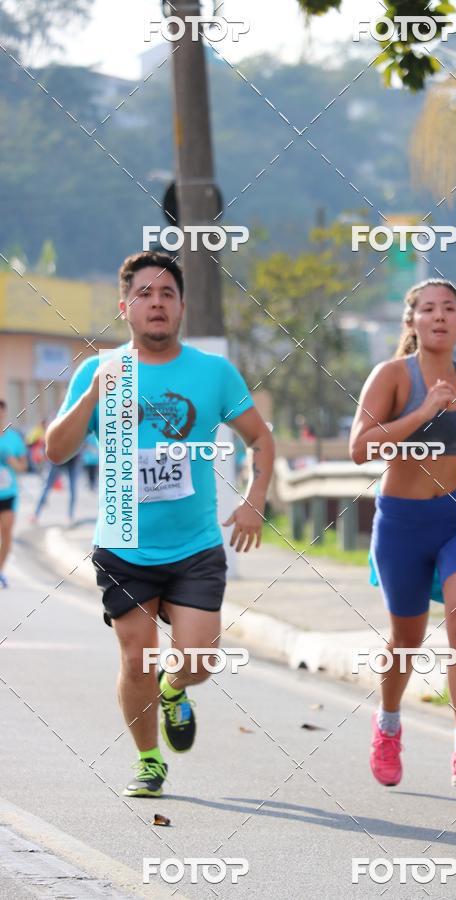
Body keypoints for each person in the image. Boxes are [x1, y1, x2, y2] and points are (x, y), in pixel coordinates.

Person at [45, 251, 274, 798]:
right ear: (125, 307)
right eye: (144, 294)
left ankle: (176, 690)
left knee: (198, 660)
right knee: (135, 656)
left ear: (181, 308)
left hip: (195, 543)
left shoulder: (212, 373)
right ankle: (149, 760)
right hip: (124, 540)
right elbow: (55, 449)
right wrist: (94, 394)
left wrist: (253, 499)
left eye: (166, 294)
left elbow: (261, 438)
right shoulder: (99, 371)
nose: (156, 303)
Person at [349, 278, 456, 788]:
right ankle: (389, 724)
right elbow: (360, 447)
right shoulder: (393, 376)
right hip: (402, 521)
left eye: (449, 308)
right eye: (427, 309)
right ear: (412, 322)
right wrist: (423, 413)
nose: (439, 316)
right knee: (407, 639)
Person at [0, 401, 28, 588]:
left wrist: (11, 461)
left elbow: (23, 466)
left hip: (8, 494)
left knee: (7, 532)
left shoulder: (13, 439)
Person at [32, 452, 80, 524]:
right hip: (60, 457)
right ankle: (36, 514)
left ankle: (70, 515)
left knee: (72, 487)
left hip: (70, 458)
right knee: (47, 486)